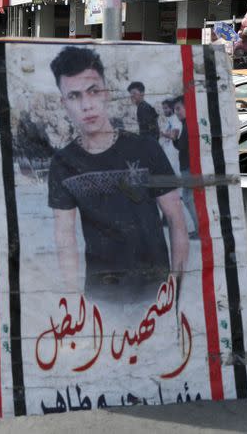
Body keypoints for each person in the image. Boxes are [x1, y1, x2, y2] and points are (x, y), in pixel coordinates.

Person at [47, 46, 189, 304]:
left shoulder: (145, 148)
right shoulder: (62, 164)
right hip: (101, 299)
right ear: (64, 103)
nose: (87, 105)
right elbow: (64, 239)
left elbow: (176, 219)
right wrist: (73, 300)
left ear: (106, 94)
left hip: (156, 293)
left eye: (93, 91)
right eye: (75, 95)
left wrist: (176, 288)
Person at [172, 96, 199, 240]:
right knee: (190, 198)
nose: (176, 112)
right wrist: (175, 139)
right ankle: (198, 229)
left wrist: (174, 137)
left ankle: (199, 230)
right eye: (175, 110)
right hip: (188, 166)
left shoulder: (188, 124)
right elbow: (181, 146)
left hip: (189, 167)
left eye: (178, 108)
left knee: (189, 199)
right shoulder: (186, 123)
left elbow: (182, 147)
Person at [159, 99, 182, 176]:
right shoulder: (169, 120)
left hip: (174, 155)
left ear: (172, 108)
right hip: (168, 154)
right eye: (163, 108)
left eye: (166, 108)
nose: (164, 110)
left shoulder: (176, 119)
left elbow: (174, 136)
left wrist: (163, 134)